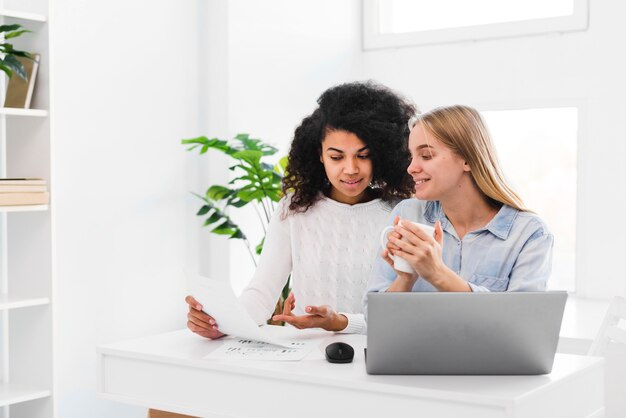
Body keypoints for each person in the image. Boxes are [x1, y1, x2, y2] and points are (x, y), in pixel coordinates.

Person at [187, 81, 416, 338]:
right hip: (304, 358)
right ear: (319, 155)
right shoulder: (295, 209)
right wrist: (222, 323)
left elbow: (403, 310)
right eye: (336, 157)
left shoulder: (402, 212)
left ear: (382, 154)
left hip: (375, 353)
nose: (350, 169)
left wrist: (340, 322)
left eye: (363, 156)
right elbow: (261, 293)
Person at [367, 104, 553, 299]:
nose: (411, 168)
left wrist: (438, 274)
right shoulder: (407, 214)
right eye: (411, 156)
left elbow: (521, 322)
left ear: (467, 159)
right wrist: (405, 279)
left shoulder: (529, 234)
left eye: (426, 155)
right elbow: (372, 316)